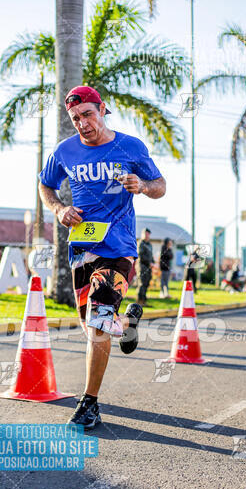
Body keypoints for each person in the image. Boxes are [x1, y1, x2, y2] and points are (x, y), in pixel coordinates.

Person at [39, 85, 166, 429]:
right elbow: (45, 186)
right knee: (95, 325)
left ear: (102, 110)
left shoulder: (130, 147)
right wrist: (60, 208)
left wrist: (141, 185)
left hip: (119, 246)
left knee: (97, 322)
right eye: (75, 118)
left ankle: (89, 403)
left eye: (88, 115)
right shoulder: (65, 151)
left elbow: (160, 185)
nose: (82, 123)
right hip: (82, 250)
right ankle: (127, 324)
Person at [137, 228, 155, 306]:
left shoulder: (150, 244)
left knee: (146, 283)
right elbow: (140, 256)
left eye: (148, 234)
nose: (147, 236)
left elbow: (151, 256)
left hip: (149, 267)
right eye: (146, 234)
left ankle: (144, 301)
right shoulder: (141, 243)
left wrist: (153, 262)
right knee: (142, 284)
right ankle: (140, 301)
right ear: (142, 234)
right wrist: (149, 263)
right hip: (142, 266)